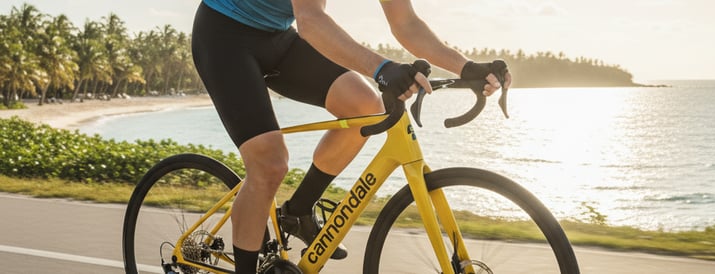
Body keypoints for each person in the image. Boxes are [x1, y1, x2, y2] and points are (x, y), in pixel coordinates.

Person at [191, 0, 512, 272]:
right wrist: (383, 68)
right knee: (270, 165)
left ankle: (298, 211)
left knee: (365, 106)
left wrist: (465, 67)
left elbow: (406, 23)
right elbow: (312, 22)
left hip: (278, 38)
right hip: (225, 36)